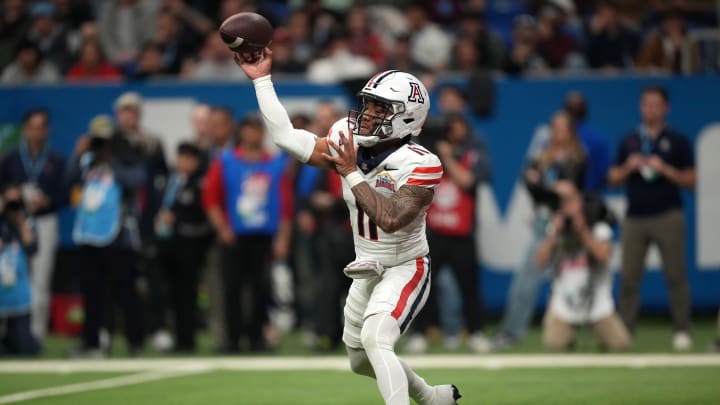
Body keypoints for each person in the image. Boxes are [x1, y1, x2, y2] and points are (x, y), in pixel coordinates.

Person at [237, 48, 461, 404]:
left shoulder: (421, 162)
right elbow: (287, 138)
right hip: (366, 266)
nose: (368, 114)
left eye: (380, 108)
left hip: (405, 264)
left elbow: (391, 218)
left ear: (407, 117)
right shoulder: (349, 139)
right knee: (359, 360)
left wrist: (350, 171)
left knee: (376, 338)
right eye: (368, 104)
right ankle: (431, 397)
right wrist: (262, 79)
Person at [608, 85, 696, 351]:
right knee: (629, 276)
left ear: (666, 108)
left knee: (676, 275)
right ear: (640, 107)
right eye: (646, 104)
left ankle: (682, 329)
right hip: (635, 216)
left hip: (668, 214)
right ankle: (624, 332)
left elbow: (691, 181)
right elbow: (612, 178)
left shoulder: (678, 140)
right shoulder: (630, 141)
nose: (651, 109)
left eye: (656, 104)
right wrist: (628, 167)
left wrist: (666, 169)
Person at [492, 110, 587, 350]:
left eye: (562, 128)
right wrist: (553, 187)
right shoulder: (542, 155)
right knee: (525, 281)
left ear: (570, 132)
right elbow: (531, 185)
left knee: (571, 281)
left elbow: (573, 191)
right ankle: (511, 331)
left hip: (567, 225)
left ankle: (569, 333)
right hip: (543, 224)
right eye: (554, 128)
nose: (557, 133)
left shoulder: (577, 158)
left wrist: (544, 185)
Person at [202, 115, 293, 353]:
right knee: (231, 288)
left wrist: (283, 237)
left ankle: (257, 337)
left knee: (261, 289)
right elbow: (211, 198)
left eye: (256, 131)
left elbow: (285, 205)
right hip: (234, 236)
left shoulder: (275, 164)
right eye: (248, 131)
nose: (252, 135)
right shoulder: (226, 161)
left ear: (262, 134)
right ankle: (231, 339)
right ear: (241, 134)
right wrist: (222, 228)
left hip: (263, 237)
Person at [404, 113, 492, 353]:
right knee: (423, 285)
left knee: (469, 288)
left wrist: (447, 157)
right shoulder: (427, 157)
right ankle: (422, 332)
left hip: (462, 233)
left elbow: (467, 182)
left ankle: (475, 332)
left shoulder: (472, 155)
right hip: (434, 232)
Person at [66, 115, 146, 357]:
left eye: (105, 140)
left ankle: (135, 342)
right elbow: (67, 182)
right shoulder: (87, 161)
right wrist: (78, 154)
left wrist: (112, 160)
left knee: (125, 292)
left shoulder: (125, 158)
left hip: (118, 237)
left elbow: (136, 180)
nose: (100, 145)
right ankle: (91, 342)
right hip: (89, 235)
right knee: (92, 294)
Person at [537, 181, 630, 352]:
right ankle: (566, 336)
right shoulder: (554, 228)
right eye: (561, 203)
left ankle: (602, 337)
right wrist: (553, 235)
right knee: (554, 345)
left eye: (569, 201)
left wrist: (582, 232)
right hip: (564, 305)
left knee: (620, 345)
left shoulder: (598, 226)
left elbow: (602, 255)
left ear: (579, 201)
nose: (565, 208)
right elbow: (540, 262)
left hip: (597, 305)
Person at [0, 109, 66, 344]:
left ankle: (35, 335)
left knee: (40, 278)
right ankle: (9, 333)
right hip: (14, 222)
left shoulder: (56, 160)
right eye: (32, 126)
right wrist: (11, 196)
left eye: (41, 126)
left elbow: (66, 194)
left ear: (47, 130)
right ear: (25, 129)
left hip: (45, 220)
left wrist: (48, 200)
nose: (37, 131)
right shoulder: (11, 159)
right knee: (10, 275)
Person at [155, 142, 212, 352]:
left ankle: (187, 339)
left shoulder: (199, 184)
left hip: (188, 245)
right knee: (170, 294)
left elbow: (202, 216)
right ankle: (175, 336)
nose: (185, 162)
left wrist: (176, 219)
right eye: (182, 157)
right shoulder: (168, 180)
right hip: (166, 244)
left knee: (187, 294)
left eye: (190, 159)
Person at [0, 184, 40, 356]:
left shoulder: (25, 221)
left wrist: (21, 219)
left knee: (24, 348)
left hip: (18, 290)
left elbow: (32, 247)